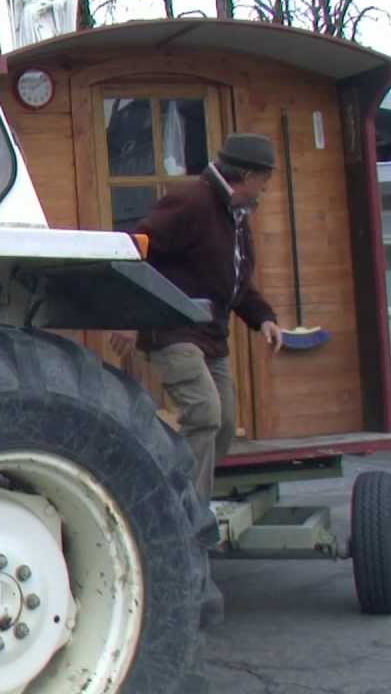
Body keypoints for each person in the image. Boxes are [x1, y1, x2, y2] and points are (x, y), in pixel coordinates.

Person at [115, 132, 284, 626]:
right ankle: (187, 514)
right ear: (248, 176)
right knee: (204, 412)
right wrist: (127, 315)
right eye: (266, 182)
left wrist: (264, 317)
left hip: (212, 335)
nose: (266, 191)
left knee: (225, 421)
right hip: (172, 329)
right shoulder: (191, 201)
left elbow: (234, 284)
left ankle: (179, 484)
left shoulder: (236, 217)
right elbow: (136, 247)